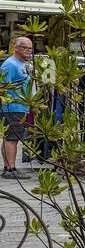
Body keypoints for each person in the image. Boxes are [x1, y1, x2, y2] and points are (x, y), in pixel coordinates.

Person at [1, 36, 33, 179]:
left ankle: (8, 167)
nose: (29, 51)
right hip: (12, 107)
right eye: (25, 48)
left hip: (20, 106)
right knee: (12, 138)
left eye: (30, 48)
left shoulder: (20, 64)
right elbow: (2, 86)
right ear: (16, 48)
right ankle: (11, 169)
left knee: (10, 138)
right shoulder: (10, 64)